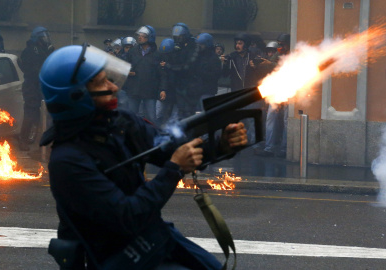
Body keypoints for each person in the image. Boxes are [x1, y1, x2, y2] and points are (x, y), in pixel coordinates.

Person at [39, 43, 248, 270]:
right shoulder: (67, 161)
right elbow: (127, 217)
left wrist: (220, 145)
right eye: (101, 82)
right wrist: (173, 170)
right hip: (120, 258)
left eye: (108, 78)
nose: (113, 87)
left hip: (155, 237)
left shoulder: (121, 123)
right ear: (77, 97)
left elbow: (169, 149)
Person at [18, 26, 54, 151]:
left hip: (43, 86)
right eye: (43, 37)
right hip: (32, 86)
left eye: (46, 37)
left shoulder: (45, 50)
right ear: (37, 39)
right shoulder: (29, 51)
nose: (46, 40)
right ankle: (23, 139)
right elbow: (29, 68)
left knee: (44, 115)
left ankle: (41, 141)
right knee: (31, 113)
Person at [256, 33, 291, 158]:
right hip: (277, 89)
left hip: (290, 89)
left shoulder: (293, 54)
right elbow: (270, 65)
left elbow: (287, 69)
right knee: (271, 116)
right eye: (279, 44)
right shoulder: (278, 53)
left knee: (287, 120)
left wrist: (270, 64)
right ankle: (269, 147)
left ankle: (284, 148)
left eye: (282, 44)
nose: (280, 46)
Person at [165, 22, 201, 119]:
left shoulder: (194, 46)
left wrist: (169, 66)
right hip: (179, 85)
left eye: (179, 37)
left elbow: (187, 66)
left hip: (191, 86)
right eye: (175, 37)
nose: (177, 39)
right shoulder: (178, 47)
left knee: (189, 113)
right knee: (179, 112)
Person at [124, 25, 159, 123]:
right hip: (134, 89)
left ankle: (153, 136)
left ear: (150, 37)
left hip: (149, 91)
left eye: (143, 35)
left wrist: (162, 89)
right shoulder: (132, 52)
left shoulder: (157, 54)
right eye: (139, 35)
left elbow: (161, 74)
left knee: (151, 118)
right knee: (131, 117)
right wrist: (128, 72)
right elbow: (125, 65)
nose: (139, 37)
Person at [194, 33, 221, 108]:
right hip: (196, 92)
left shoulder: (214, 59)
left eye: (201, 45)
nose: (199, 47)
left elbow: (215, 76)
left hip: (207, 92)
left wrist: (200, 72)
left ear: (207, 45)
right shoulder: (197, 56)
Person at [157, 38, 177, 126]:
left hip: (173, 91)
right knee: (160, 113)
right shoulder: (160, 61)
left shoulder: (176, 61)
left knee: (171, 115)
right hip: (164, 91)